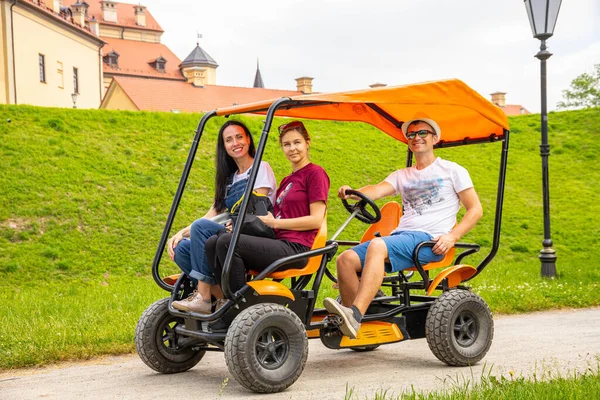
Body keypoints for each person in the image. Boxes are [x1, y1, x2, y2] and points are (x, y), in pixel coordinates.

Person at [323, 116, 483, 339]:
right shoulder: (402, 175)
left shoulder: (452, 170)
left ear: (435, 138)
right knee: (345, 260)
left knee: (378, 245)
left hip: (430, 240)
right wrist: (354, 192)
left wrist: (452, 237)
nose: (416, 138)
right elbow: (377, 190)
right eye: (411, 134)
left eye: (422, 133)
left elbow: (475, 209)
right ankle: (351, 322)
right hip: (402, 238)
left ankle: (356, 314)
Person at [205, 120, 330, 294]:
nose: (292, 148)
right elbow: (271, 218)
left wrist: (276, 224)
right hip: (276, 241)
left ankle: (240, 304)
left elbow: (315, 220)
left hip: (296, 247)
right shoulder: (288, 180)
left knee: (227, 242)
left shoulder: (315, 173)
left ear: (307, 143)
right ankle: (222, 300)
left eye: (297, 142)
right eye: (286, 144)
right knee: (214, 240)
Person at [168, 120, 277, 313]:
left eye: (239, 137)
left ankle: (202, 297)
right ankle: (221, 300)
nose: (235, 143)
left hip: (253, 232)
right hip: (230, 230)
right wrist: (182, 232)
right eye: (229, 140)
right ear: (224, 147)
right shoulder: (230, 178)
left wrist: (201, 228)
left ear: (249, 140)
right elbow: (213, 213)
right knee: (182, 248)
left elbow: (256, 209)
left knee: (201, 228)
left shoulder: (261, 168)